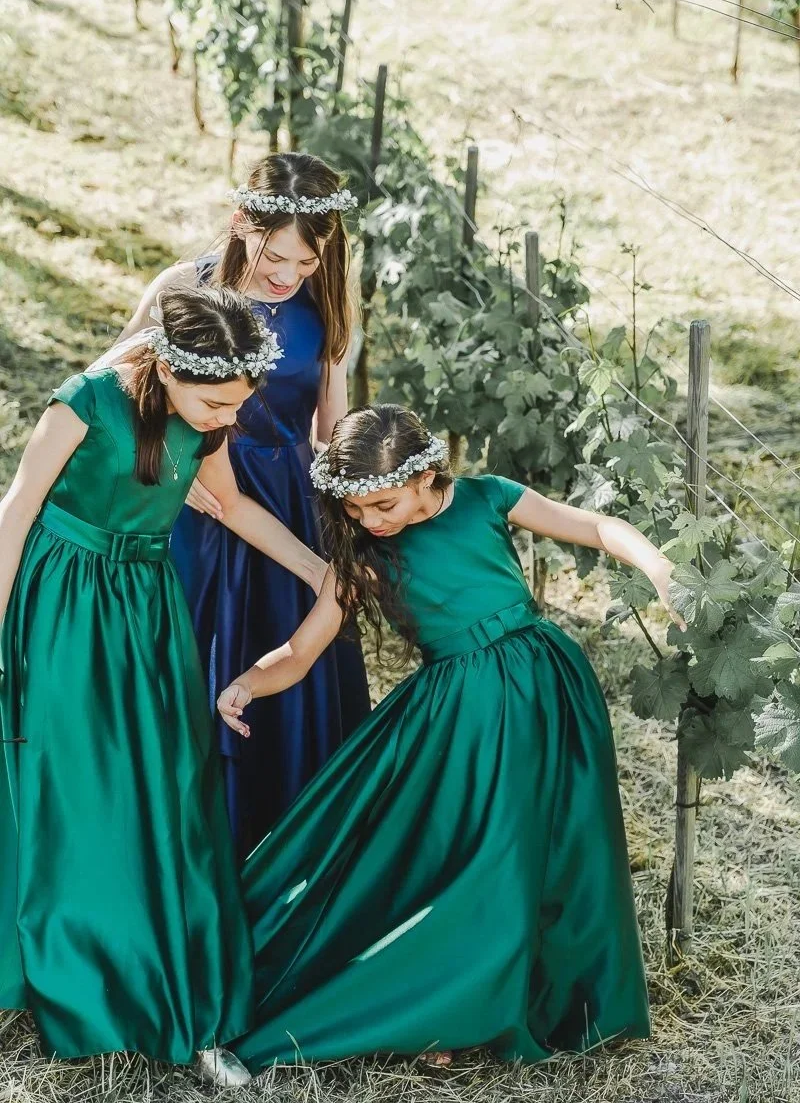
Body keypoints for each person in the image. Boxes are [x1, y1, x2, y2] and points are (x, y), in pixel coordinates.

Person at [215, 403, 685, 1073]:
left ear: (427, 474)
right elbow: (301, 649)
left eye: (383, 504)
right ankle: (452, 1008)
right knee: (483, 861)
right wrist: (248, 684)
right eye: (355, 509)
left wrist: (660, 570)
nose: (370, 521)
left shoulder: (486, 498)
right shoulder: (363, 559)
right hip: (463, 714)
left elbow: (600, 527)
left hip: (548, 687)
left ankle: (554, 999)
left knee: (561, 842)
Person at [0, 284, 327, 1085]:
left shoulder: (205, 419)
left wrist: (324, 574)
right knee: (75, 782)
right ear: (166, 367)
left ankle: (171, 981)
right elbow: (15, 511)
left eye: (236, 403)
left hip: (146, 610)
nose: (225, 417)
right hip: (64, 602)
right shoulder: (84, 402)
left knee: (168, 788)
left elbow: (230, 505)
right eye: (214, 401)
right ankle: (77, 967)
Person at [116, 153, 371, 854]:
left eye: (306, 262)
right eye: (273, 253)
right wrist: (168, 452)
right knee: (190, 663)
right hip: (194, 501)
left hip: (285, 504)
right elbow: (109, 382)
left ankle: (276, 851)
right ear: (239, 222)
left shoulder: (325, 312)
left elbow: (332, 431)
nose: (286, 275)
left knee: (283, 677)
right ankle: (181, 847)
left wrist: (361, 522)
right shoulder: (182, 286)